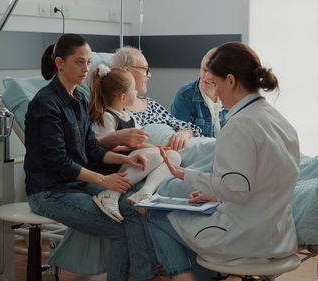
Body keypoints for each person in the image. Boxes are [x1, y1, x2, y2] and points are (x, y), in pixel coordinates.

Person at [147, 42, 300, 281]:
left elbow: (237, 191)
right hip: (278, 233)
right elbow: (257, 183)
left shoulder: (238, 125)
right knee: (192, 224)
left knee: (156, 216)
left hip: (246, 238)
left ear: (230, 80)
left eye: (216, 84)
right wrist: (218, 196)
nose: (215, 93)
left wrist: (184, 174)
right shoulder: (276, 118)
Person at [24, 33, 160, 281]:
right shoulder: (45, 103)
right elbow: (58, 162)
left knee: (134, 211)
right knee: (120, 228)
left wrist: (125, 160)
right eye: (79, 62)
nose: (86, 68)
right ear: (59, 63)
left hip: (76, 186)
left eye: (88, 62)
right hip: (49, 192)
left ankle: (144, 276)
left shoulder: (79, 99)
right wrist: (103, 181)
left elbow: (90, 148)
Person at [89, 64, 182, 221]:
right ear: (123, 97)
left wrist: (158, 148)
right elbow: (103, 148)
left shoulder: (129, 116)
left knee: (173, 156)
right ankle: (111, 193)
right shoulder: (107, 117)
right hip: (112, 166)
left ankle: (145, 192)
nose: (137, 92)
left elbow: (139, 144)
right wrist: (149, 150)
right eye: (134, 90)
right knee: (156, 155)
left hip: (131, 159)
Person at [97, 46, 202, 151]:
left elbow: (187, 126)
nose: (149, 75)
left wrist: (184, 134)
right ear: (127, 71)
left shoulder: (151, 104)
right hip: (163, 152)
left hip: (185, 145)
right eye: (145, 70)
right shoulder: (113, 114)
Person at [171, 48, 227, 138]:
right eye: (204, 70)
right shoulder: (185, 95)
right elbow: (179, 135)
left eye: (213, 72)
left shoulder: (231, 96)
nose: (206, 76)